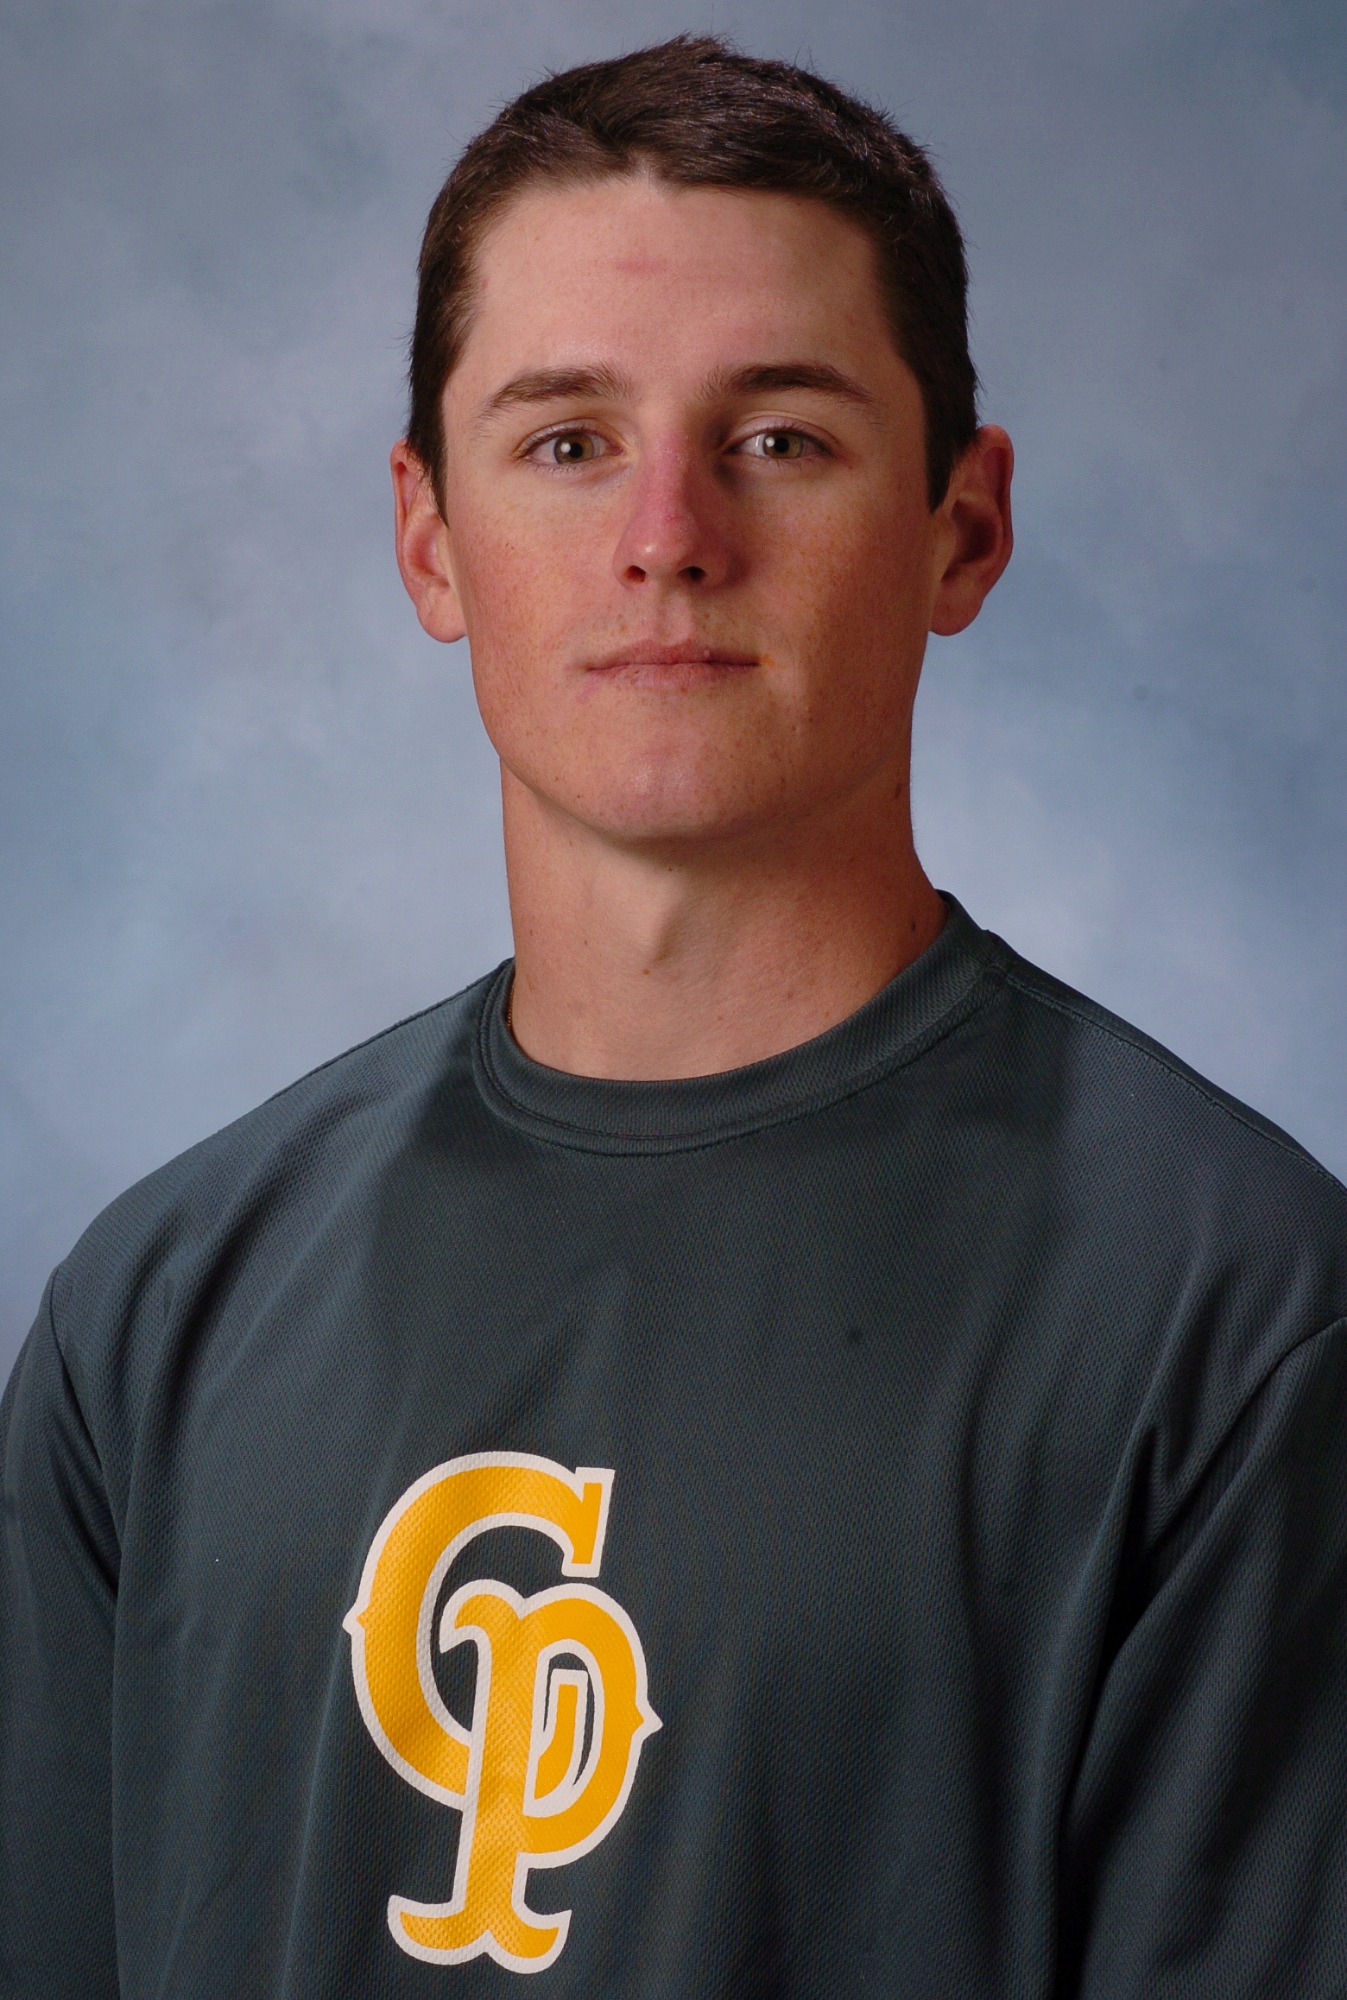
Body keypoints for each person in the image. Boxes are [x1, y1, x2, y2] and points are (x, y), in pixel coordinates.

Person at [2, 33, 1345, 1998]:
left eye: (777, 437)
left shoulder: (1234, 1322)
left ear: (958, 528)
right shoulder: (161, 1309)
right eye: (564, 441)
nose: (665, 535)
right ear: (426, 537)